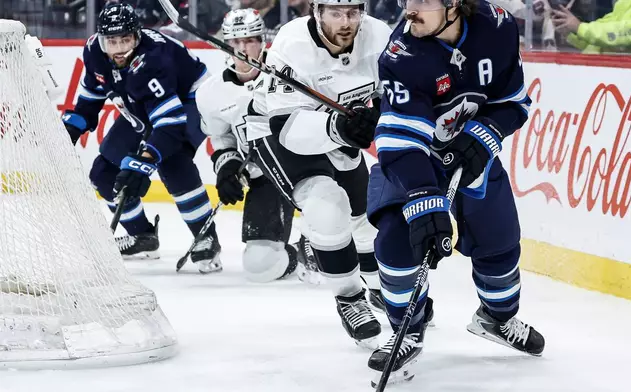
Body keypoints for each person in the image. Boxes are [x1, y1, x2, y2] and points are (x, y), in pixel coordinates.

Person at [366, 0, 545, 385]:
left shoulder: (497, 26)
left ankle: (496, 318)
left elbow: (512, 102)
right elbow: (399, 142)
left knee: (499, 242)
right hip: (414, 163)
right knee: (398, 242)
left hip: (472, 158)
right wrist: (423, 198)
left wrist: (485, 135)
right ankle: (407, 330)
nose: (409, 9)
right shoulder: (402, 55)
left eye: (422, 0)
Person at [245, 0, 392, 347]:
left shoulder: (378, 35)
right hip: (277, 130)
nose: (346, 22)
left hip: (335, 126)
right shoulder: (292, 43)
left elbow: (394, 94)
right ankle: (350, 298)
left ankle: (383, 288)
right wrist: (341, 128)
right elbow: (288, 129)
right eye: (336, 13)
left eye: (354, 12)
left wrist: (377, 117)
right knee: (328, 207)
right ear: (316, 11)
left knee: (365, 217)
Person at [61, 3, 221, 273]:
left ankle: (205, 236)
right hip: (143, 103)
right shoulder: (93, 52)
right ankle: (142, 237)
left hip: (190, 100)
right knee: (104, 173)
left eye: (126, 39)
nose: (120, 48)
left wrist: (145, 161)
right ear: (101, 40)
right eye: (112, 41)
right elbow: (91, 98)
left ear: (137, 36)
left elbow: (169, 125)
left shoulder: (153, 58)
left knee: (173, 161)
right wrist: (70, 131)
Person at [196, 9, 299, 282]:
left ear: (263, 40)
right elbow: (222, 138)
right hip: (266, 178)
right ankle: (300, 252)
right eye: (236, 42)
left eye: (250, 40)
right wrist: (227, 168)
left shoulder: (290, 76)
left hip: (306, 168)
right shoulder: (211, 93)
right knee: (260, 266)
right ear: (226, 45)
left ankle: (318, 241)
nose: (243, 49)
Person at [552, 0, 631, 54]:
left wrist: (579, 27)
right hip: (596, 74)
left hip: (620, 79)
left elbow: (620, 34)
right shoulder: (625, 4)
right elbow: (597, 40)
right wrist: (570, 31)